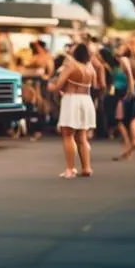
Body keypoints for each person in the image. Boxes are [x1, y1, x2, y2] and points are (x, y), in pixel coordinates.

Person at [48, 43, 97, 179]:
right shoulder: (90, 68)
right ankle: (86, 167)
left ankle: (70, 169)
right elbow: (96, 84)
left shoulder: (71, 66)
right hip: (86, 99)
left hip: (72, 100)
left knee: (68, 134)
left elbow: (58, 84)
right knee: (82, 136)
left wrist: (51, 86)